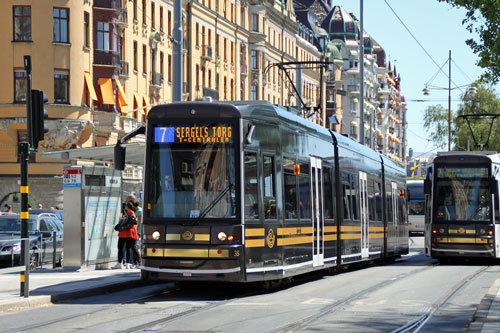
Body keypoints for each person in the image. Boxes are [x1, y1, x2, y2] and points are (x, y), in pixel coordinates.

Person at [113, 201, 138, 269]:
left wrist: (121, 212)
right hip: (130, 233)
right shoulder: (133, 213)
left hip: (123, 233)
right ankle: (127, 264)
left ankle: (119, 263)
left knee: (120, 247)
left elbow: (120, 221)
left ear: (126, 207)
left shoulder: (124, 212)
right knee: (128, 248)